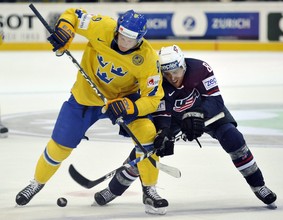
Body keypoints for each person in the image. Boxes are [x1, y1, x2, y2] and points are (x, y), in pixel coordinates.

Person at [15, 8, 168, 213]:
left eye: (130, 40)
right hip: (86, 98)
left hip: (122, 102)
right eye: (121, 36)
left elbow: (153, 98)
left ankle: (150, 190)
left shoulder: (149, 59)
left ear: (140, 39)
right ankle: (36, 182)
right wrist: (65, 29)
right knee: (59, 145)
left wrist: (131, 106)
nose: (123, 42)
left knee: (148, 137)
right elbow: (74, 15)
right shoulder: (102, 26)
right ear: (117, 29)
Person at [94, 44, 277, 211]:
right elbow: (161, 110)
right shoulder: (157, 79)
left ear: (183, 65)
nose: (173, 77)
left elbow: (215, 100)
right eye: (167, 74)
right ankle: (113, 190)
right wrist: (163, 132)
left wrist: (197, 114)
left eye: (176, 71)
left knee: (233, 138)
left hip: (207, 110)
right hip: (174, 118)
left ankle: (258, 185)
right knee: (148, 149)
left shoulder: (201, 69)